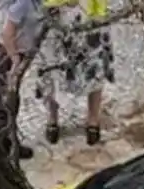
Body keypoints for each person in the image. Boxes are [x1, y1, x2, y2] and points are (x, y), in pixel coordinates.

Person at [34, 0, 114, 147]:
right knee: (51, 68)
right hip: (54, 13)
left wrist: (99, 12)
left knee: (94, 65)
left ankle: (93, 119)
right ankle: (52, 118)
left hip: (89, 11)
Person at [0, 0, 42, 160]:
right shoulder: (24, 3)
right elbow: (7, 33)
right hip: (7, 55)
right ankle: (0, 144)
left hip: (19, 54)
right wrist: (14, 59)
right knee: (6, 101)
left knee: (10, 99)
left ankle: (5, 141)